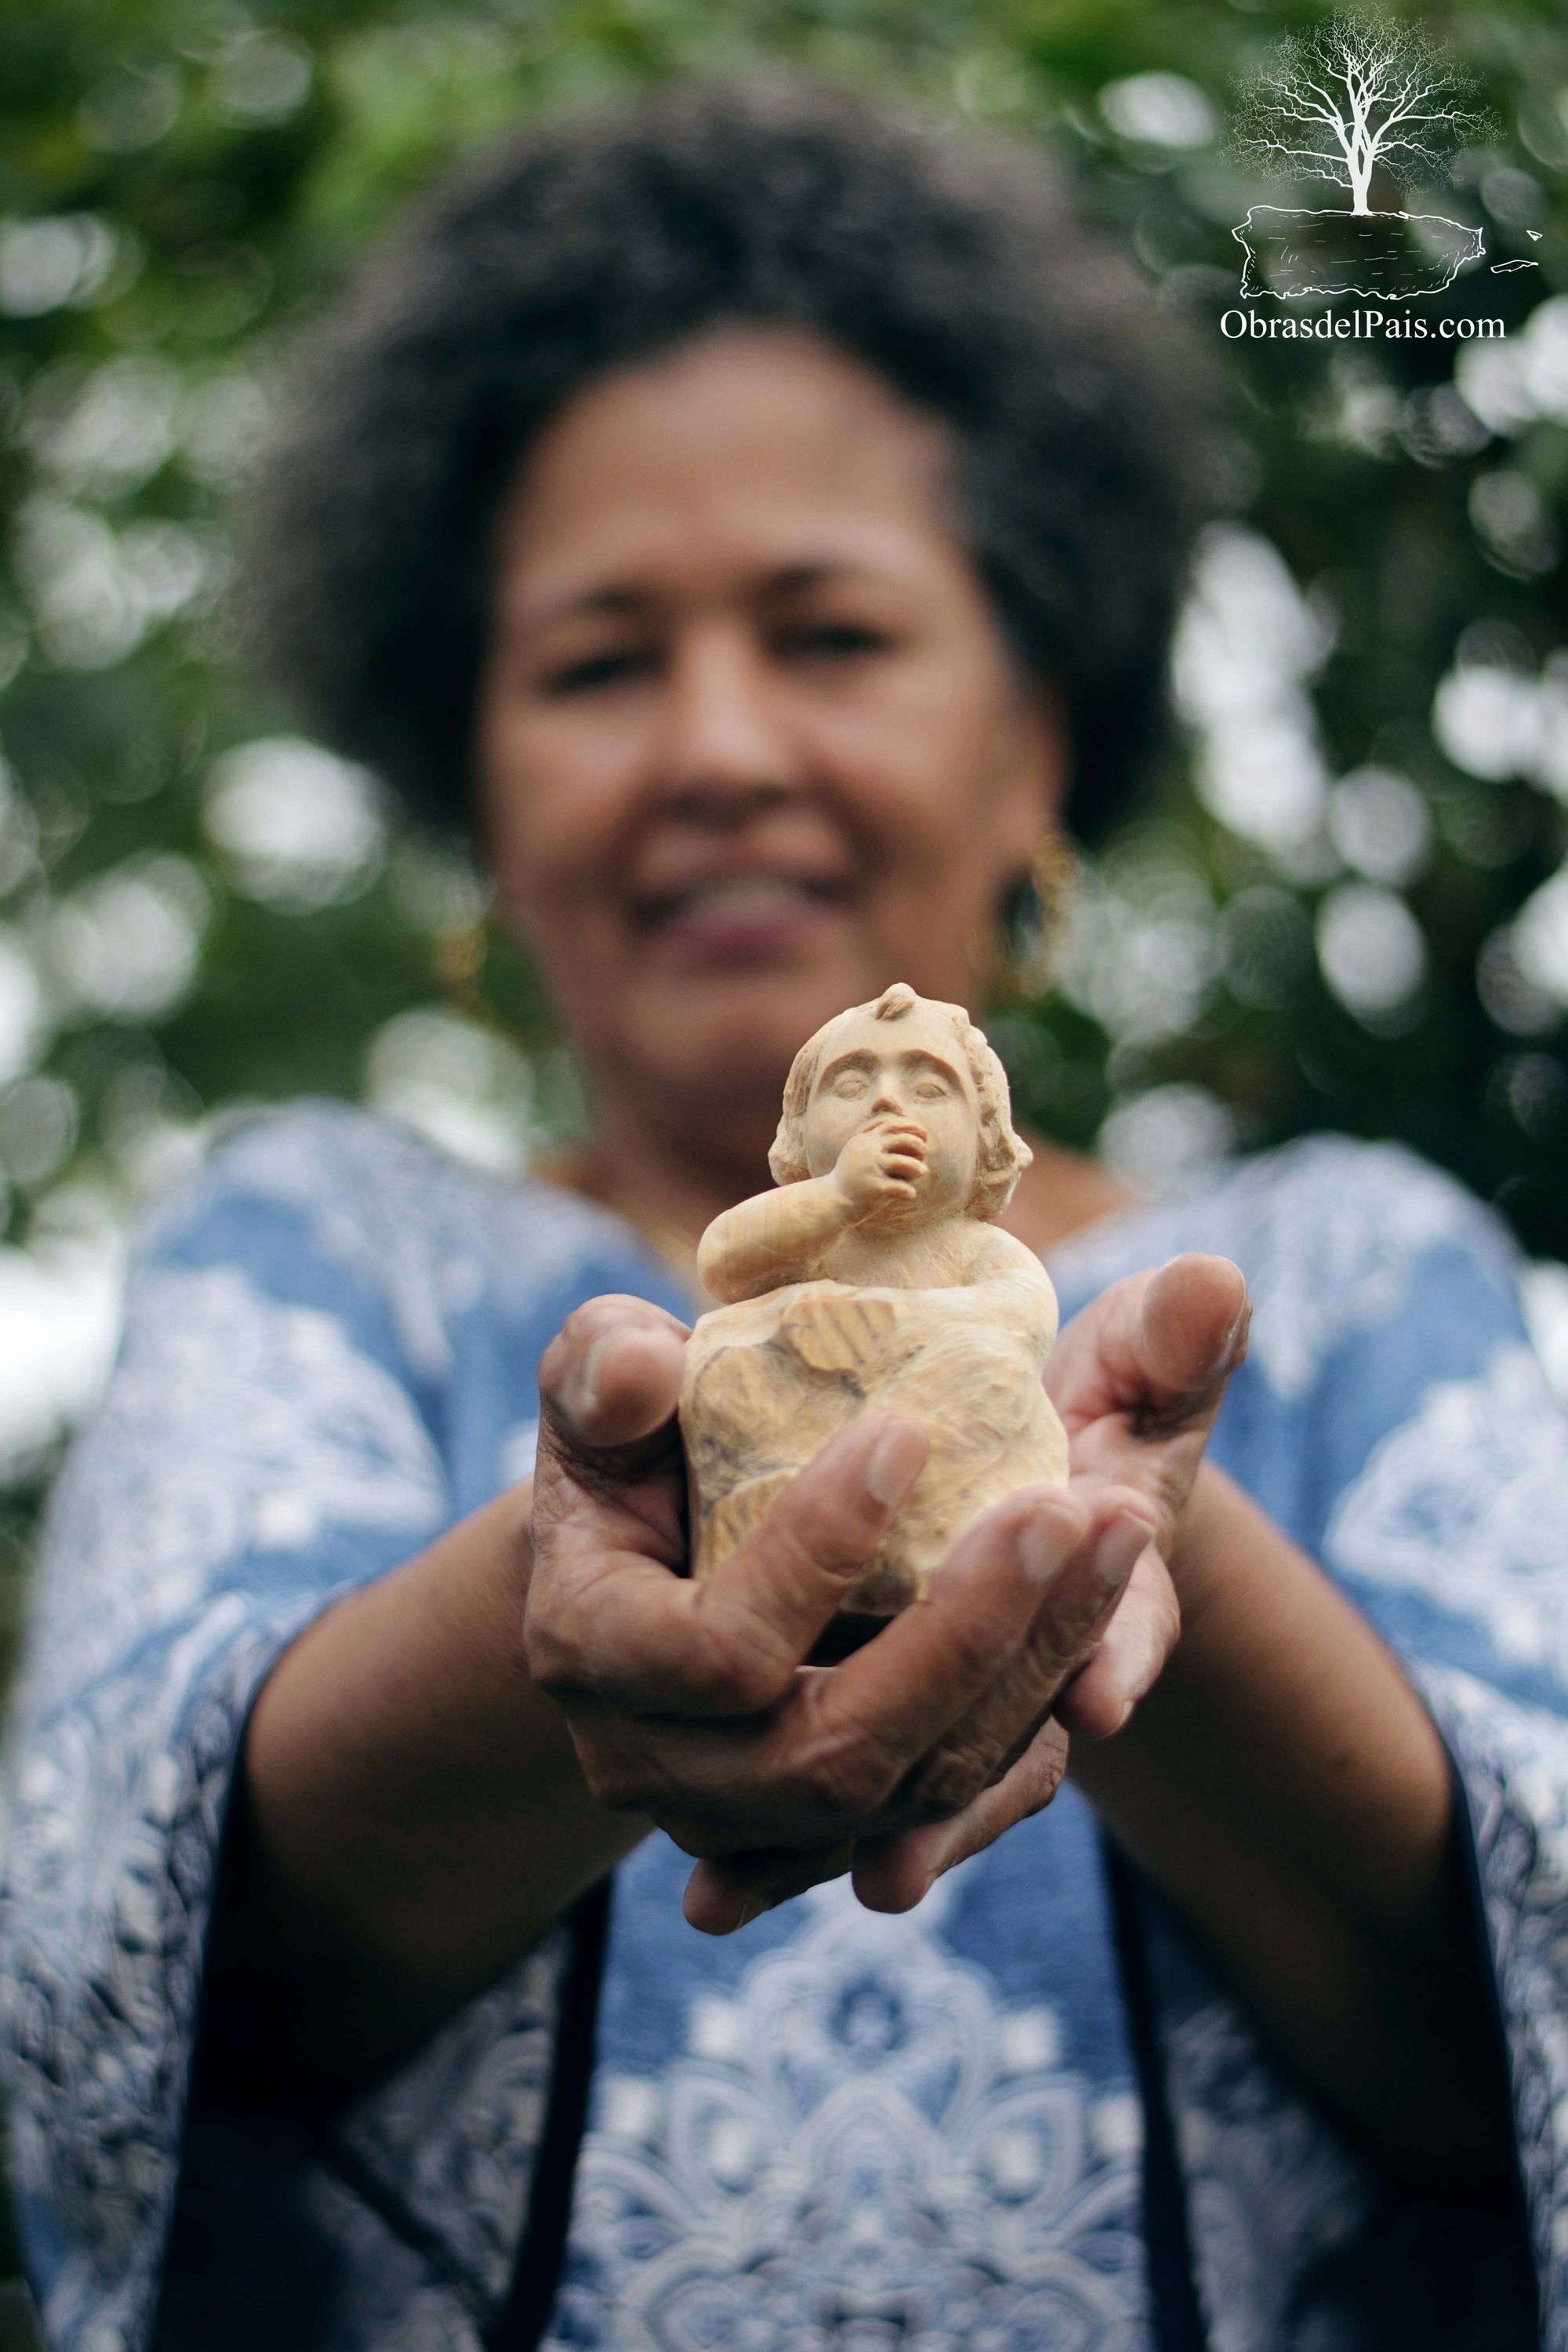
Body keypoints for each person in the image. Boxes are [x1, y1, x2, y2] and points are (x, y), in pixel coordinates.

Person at [0, 68, 1558, 2352]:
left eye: (829, 632)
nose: (717, 742)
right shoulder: (316, 1250)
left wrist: (1129, 1542)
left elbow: (1510, 2034)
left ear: (1036, 734)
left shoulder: (1353, 1270)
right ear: (479, 795)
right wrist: (551, 1639)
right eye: (599, 662)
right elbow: (87, 1963)